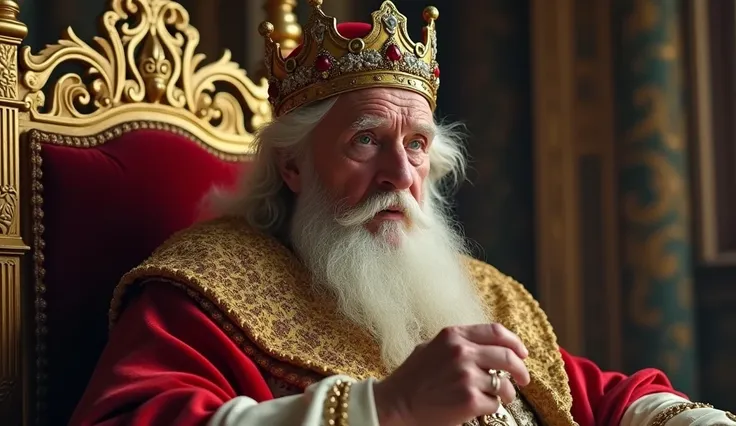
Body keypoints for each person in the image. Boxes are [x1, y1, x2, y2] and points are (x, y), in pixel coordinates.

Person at [70, 1, 735, 425]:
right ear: (293, 166)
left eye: (416, 145)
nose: (400, 173)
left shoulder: (480, 289)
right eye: (366, 141)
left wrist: (680, 419)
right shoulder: (206, 286)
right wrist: (386, 408)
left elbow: (587, 395)